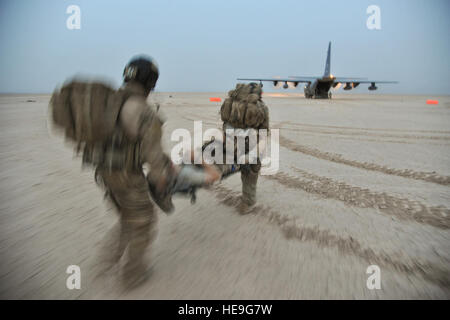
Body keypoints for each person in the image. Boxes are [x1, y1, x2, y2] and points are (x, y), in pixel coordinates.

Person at [50, 56, 220, 287]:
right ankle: (132, 276)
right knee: (143, 222)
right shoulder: (143, 111)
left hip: (104, 174)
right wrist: (162, 181)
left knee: (127, 218)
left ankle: (107, 261)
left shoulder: (111, 103)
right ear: (151, 82)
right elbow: (153, 158)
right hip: (127, 176)